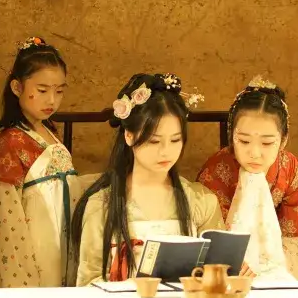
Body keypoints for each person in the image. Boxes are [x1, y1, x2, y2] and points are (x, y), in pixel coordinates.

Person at [71, 73, 224, 285]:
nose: (166, 151)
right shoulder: (102, 205)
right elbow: (89, 283)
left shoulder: (200, 201)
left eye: (175, 140)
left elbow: (218, 275)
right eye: (154, 141)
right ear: (129, 135)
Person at [0, 37, 93, 287]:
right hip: (35, 258)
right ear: (17, 87)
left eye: (59, 91)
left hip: (64, 249)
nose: (52, 100)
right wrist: (22, 281)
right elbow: (8, 219)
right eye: (43, 90)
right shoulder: (11, 142)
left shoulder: (50, 134)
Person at [197, 76, 298, 282]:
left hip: (279, 264)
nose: (254, 153)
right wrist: (234, 261)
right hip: (228, 273)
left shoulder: (290, 169)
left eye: (267, 143)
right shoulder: (217, 170)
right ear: (231, 135)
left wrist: (268, 267)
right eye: (244, 141)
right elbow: (210, 232)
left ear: (283, 140)